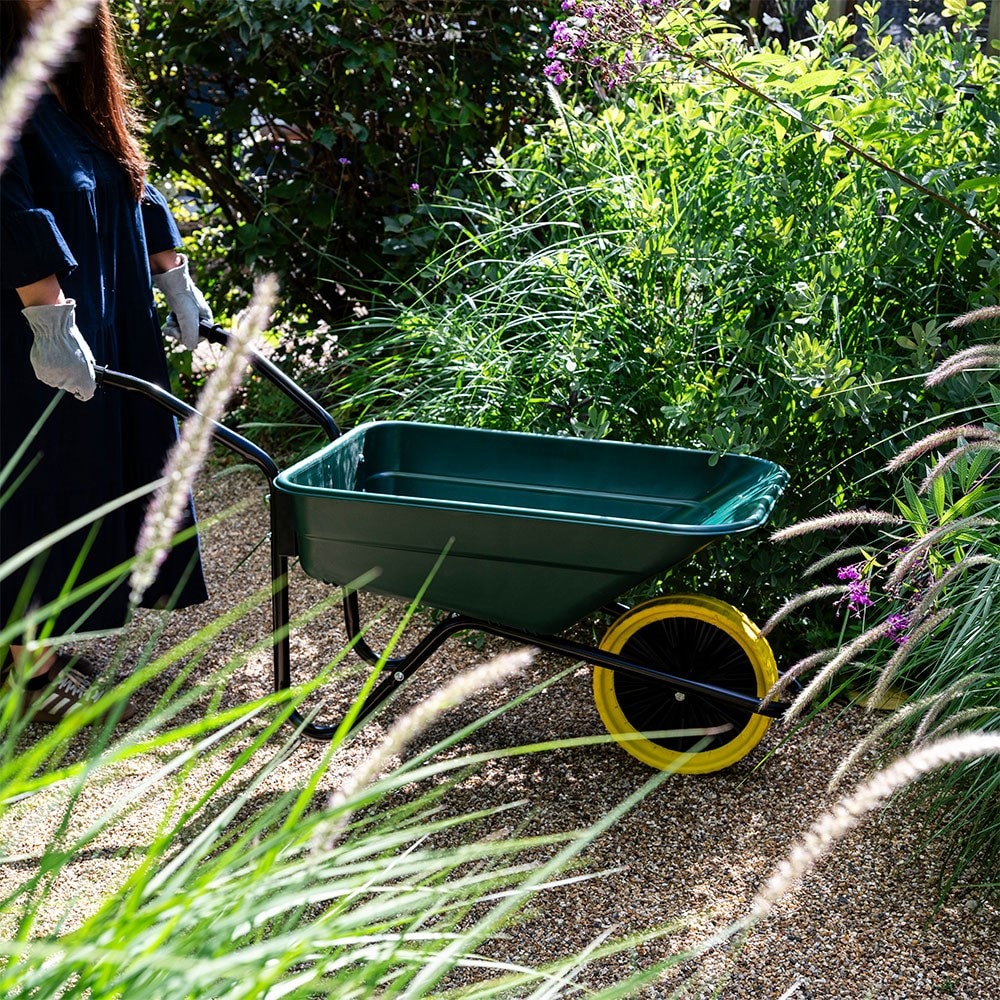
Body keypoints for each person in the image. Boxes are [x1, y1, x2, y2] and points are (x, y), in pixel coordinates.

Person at [1, 0, 212, 722]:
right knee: (41, 482)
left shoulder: (75, 65)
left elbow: (125, 174)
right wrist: (47, 317)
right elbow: (6, 204)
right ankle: (27, 665)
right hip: (30, 325)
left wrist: (171, 269)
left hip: (104, 309)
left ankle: (39, 635)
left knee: (92, 468)